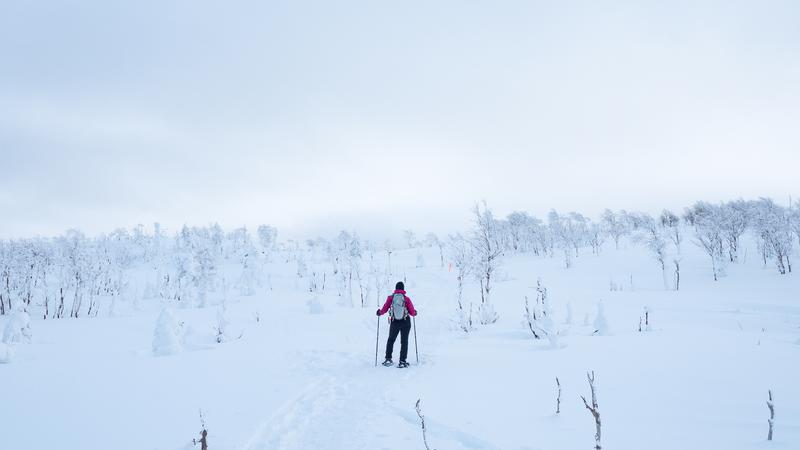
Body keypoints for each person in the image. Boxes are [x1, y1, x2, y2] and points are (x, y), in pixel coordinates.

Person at [376, 281, 417, 368]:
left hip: (394, 322)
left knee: (391, 339)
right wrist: (415, 313)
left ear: (396, 288)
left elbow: (385, 308)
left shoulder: (390, 298)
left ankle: (388, 359)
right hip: (406, 321)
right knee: (404, 341)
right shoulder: (406, 299)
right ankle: (402, 361)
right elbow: (412, 312)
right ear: (403, 289)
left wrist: (379, 312)